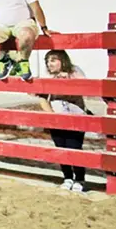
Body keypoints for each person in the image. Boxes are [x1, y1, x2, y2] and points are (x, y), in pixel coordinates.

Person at [38, 50, 88, 192]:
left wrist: (66, 81)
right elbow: (42, 98)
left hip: (75, 115)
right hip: (57, 116)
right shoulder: (47, 76)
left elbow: (85, 88)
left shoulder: (74, 71)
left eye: (53, 60)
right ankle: (67, 177)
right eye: (47, 61)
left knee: (75, 148)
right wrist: (51, 115)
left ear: (63, 60)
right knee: (61, 148)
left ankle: (80, 179)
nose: (49, 64)